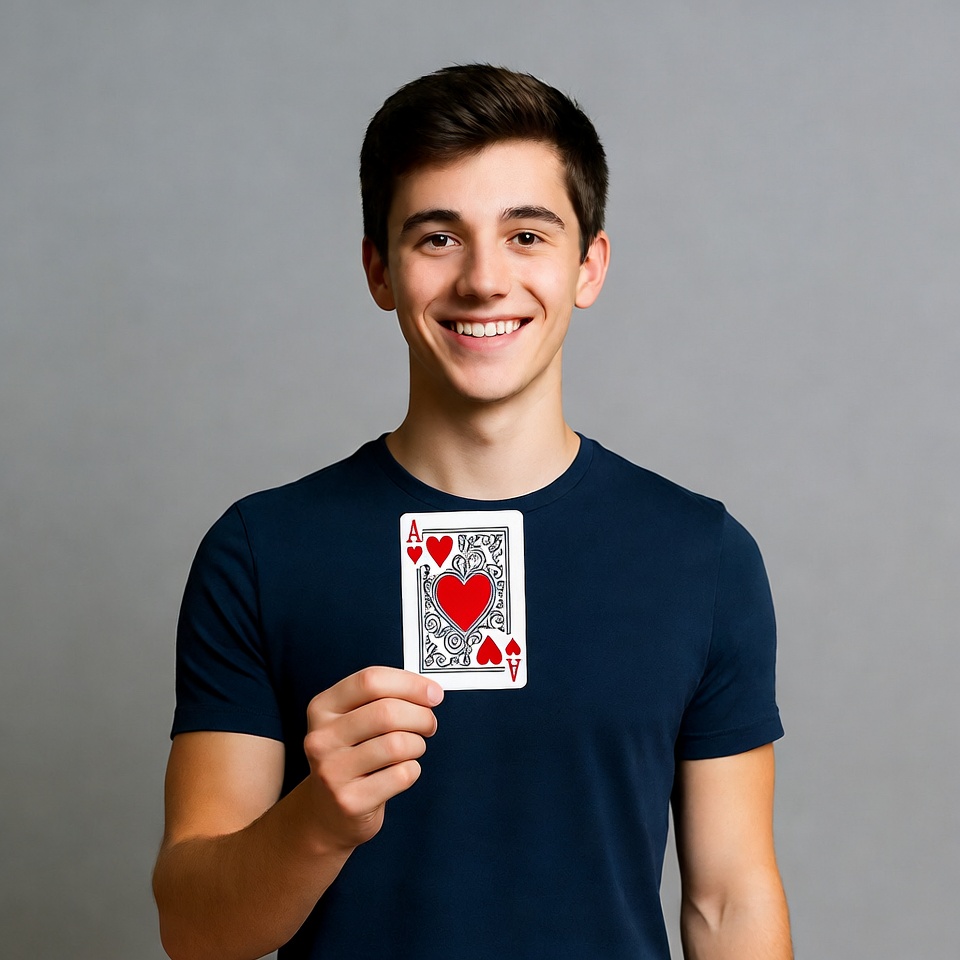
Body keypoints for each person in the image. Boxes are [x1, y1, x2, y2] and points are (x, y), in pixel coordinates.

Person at [153, 64, 792, 959]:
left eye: (527, 234)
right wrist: (319, 820)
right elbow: (192, 929)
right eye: (438, 237)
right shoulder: (261, 551)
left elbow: (729, 901)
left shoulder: (704, 557)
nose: (485, 280)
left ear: (589, 265)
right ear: (379, 269)